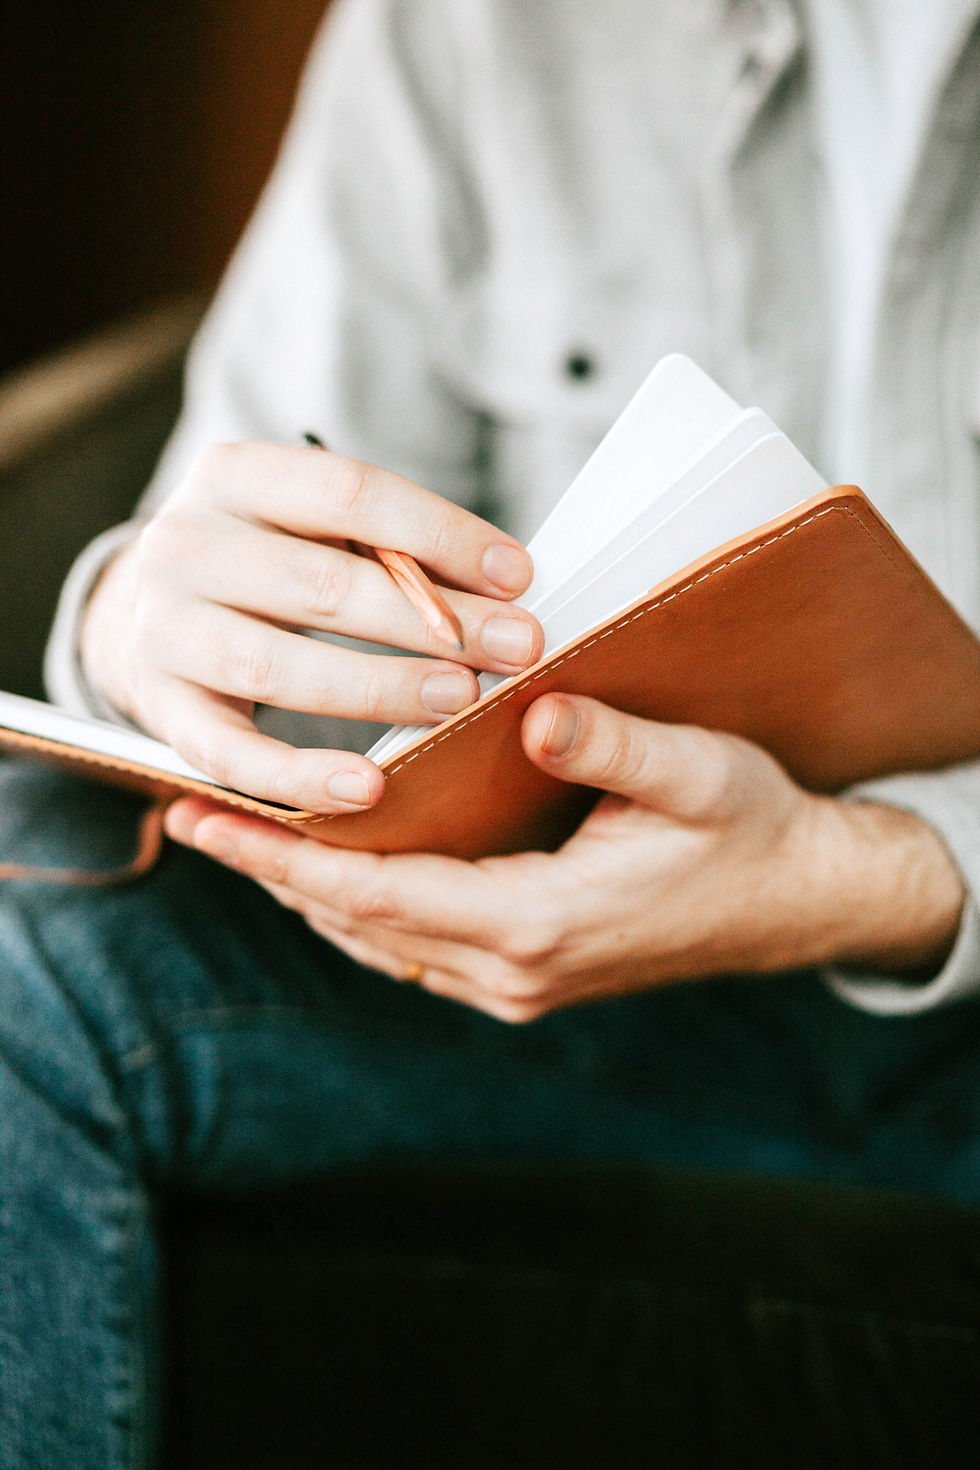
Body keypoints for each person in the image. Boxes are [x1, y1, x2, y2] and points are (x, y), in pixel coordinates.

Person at [3, 0, 980, 1463]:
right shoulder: (468, 30)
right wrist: (137, 621)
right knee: (27, 902)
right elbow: (255, 499)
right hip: (598, 993)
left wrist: (885, 872)